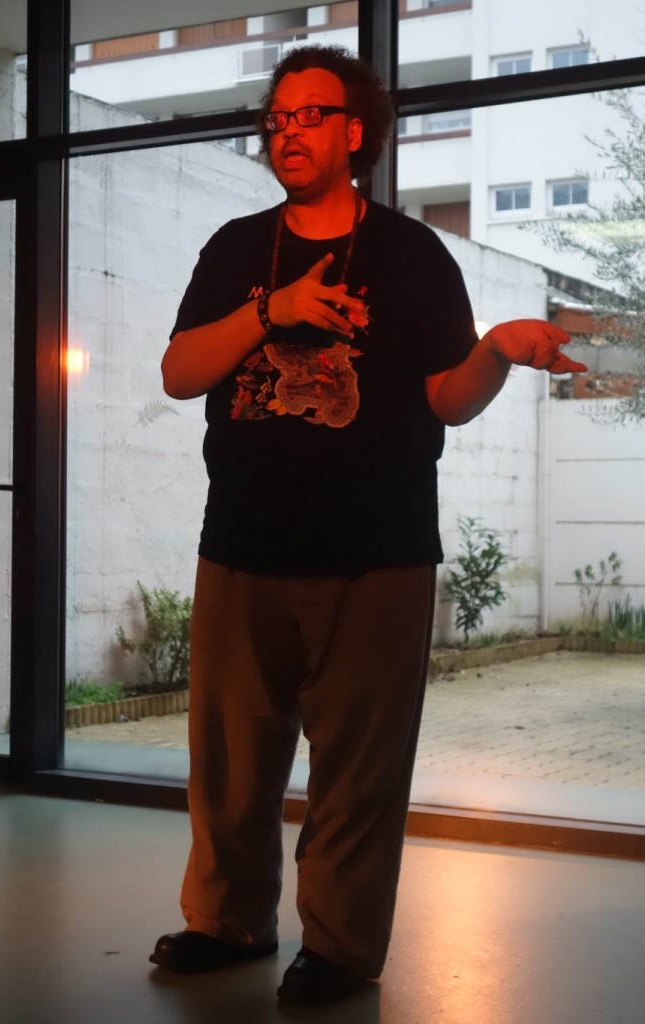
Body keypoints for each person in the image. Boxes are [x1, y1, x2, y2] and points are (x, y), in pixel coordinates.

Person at [149, 44, 586, 1006]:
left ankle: (340, 948)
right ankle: (225, 922)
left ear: (355, 132)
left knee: (359, 769)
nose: (287, 131)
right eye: (277, 118)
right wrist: (271, 311)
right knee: (228, 760)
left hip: (379, 550)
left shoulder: (412, 254)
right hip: (241, 541)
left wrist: (496, 350)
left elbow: (446, 401)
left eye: (309, 115)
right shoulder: (234, 248)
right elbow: (180, 373)